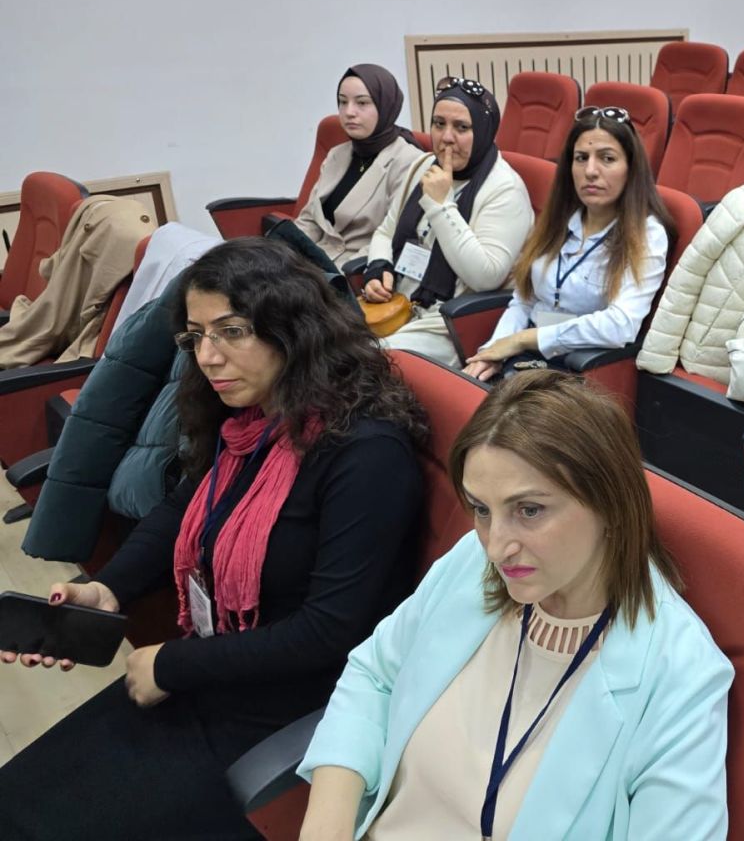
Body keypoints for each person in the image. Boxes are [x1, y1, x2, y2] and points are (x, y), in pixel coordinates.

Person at [0, 237, 428, 840]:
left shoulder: (367, 454)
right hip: (221, 668)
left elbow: (329, 633)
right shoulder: (253, 417)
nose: (207, 356)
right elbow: (183, 507)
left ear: (293, 330)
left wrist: (174, 664)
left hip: (286, 711)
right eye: (196, 336)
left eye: (231, 332)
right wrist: (108, 590)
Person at [297, 371, 733, 841]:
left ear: (610, 504)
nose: (496, 546)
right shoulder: (473, 562)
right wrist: (328, 822)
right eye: (482, 509)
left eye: (529, 510)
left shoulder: (680, 673)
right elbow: (376, 675)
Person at [464, 106, 673, 380]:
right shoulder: (559, 219)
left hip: (578, 371)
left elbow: (621, 325)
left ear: (631, 168)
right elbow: (524, 301)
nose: (591, 171)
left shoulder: (647, 234)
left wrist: (524, 339)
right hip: (524, 360)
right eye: (581, 158)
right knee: (464, 388)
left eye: (607, 158)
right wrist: (493, 351)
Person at [362, 77, 534, 367]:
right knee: (324, 341)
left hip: (448, 323)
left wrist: (441, 206)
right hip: (397, 304)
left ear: (483, 130)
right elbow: (385, 231)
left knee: (361, 360)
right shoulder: (423, 165)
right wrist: (378, 267)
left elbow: (486, 277)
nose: (446, 137)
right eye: (439, 124)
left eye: (462, 128)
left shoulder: (505, 189)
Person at [292, 64, 426, 268]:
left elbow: (393, 238)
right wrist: (281, 256)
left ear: (385, 105)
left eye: (362, 103)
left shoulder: (409, 161)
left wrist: (327, 272)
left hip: (354, 270)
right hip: (311, 263)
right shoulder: (337, 154)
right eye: (342, 102)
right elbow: (310, 220)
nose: (349, 112)